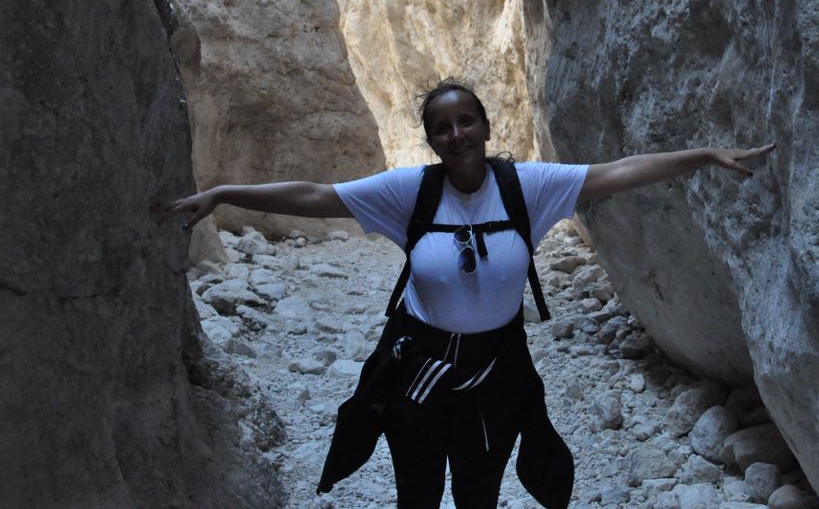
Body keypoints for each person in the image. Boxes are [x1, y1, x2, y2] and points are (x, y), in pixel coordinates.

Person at [153, 79, 775, 509]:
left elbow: (615, 173)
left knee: (479, 491)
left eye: (466, 121)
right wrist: (226, 193)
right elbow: (319, 196)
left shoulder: (527, 186)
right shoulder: (409, 192)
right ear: (431, 140)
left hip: (495, 372)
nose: (456, 135)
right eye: (442, 128)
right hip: (417, 369)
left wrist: (702, 155)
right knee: (418, 492)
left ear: (485, 126)